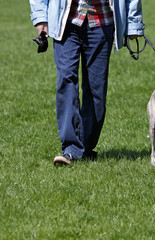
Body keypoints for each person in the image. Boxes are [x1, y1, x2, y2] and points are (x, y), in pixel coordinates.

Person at [29, 0, 145, 165]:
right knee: (66, 79)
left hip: (102, 21)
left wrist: (133, 24)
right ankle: (71, 148)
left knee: (96, 89)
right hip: (66, 21)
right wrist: (41, 18)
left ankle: (84, 147)